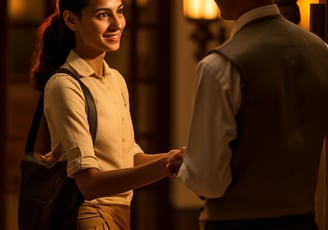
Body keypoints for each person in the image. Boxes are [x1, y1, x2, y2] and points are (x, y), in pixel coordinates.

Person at [29, 0, 183, 229]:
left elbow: (127, 157)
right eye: (103, 15)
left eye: (119, 12)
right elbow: (89, 185)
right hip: (90, 215)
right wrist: (166, 165)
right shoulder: (64, 85)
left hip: (122, 214)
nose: (117, 23)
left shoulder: (116, 80)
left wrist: (177, 157)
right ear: (72, 20)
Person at [177, 0, 328, 229]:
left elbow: (208, 182)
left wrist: (188, 164)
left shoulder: (219, 66)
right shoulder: (321, 51)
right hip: (304, 220)